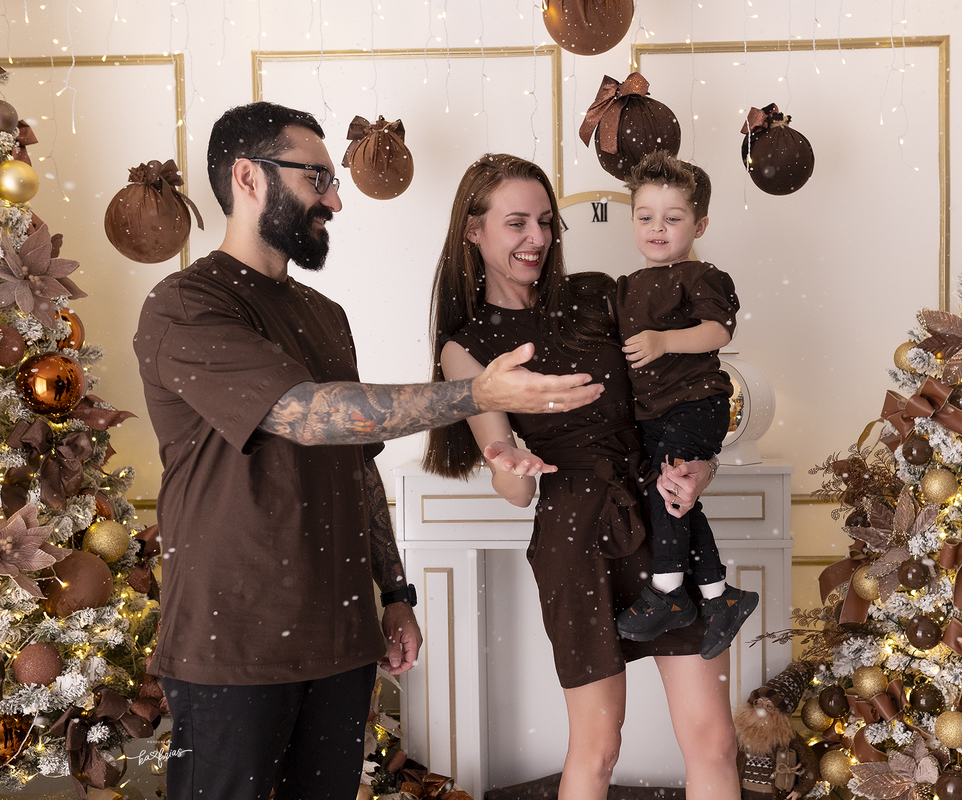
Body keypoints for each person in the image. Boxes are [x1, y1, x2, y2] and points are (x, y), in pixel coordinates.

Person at [133, 103, 603, 800]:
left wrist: (396, 592)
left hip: (341, 644)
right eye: (317, 177)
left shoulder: (325, 316)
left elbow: (355, 461)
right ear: (247, 177)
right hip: (232, 646)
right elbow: (309, 416)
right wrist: (478, 393)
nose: (335, 198)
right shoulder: (184, 305)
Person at [423, 153, 740, 800]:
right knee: (597, 749)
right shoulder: (465, 345)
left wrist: (702, 464)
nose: (536, 238)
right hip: (571, 530)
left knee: (713, 742)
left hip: (660, 512)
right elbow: (512, 489)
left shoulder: (599, 292)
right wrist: (506, 464)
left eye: (545, 221)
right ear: (473, 232)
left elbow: (679, 388)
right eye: (516, 223)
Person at [614, 152, 758, 659]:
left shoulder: (700, 275)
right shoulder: (627, 285)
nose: (658, 228)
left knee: (668, 491)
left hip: (695, 405)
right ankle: (720, 598)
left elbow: (718, 330)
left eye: (673, 219)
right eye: (645, 216)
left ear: (699, 224)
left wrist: (663, 341)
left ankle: (671, 593)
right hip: (655, 414)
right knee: (676, 500)